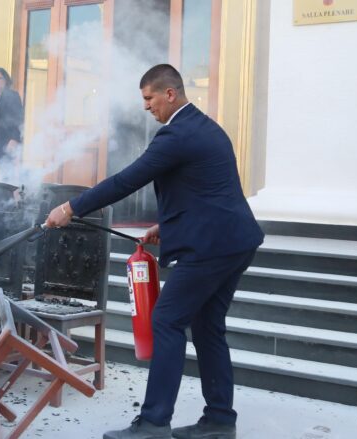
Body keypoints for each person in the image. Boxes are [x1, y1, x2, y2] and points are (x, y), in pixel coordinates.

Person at [45, 64, 264, 439]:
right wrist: (168, 225)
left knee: (167, 320)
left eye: (149, 99)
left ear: (169, 94)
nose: (146, 107)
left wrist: (71, 208)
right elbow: (209, 190)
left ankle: (153, 423)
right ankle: (220, 420)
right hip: (235, 240)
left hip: (212, 247)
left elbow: (126, 180)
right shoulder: (204, 126)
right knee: (208, 327)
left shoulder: (175, 135)